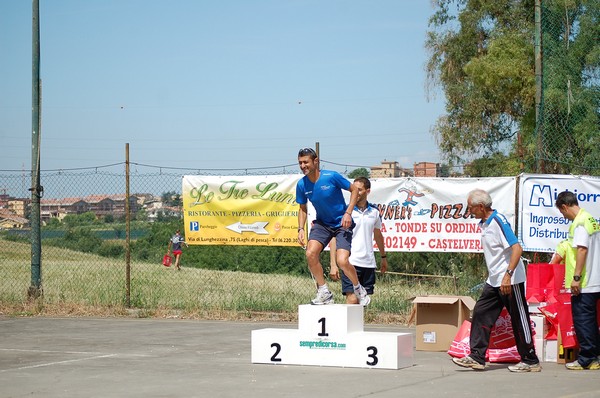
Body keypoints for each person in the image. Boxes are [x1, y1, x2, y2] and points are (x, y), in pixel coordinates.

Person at [452, 189, 541, 372]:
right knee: (480, 313)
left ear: (481, 206)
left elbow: (517, 248)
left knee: (519, 319)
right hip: (494, 280)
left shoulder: (499, 221)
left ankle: (530, 360)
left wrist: (508, 275)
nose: (469, 212)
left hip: (511, 279)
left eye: (471, 208)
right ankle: (477, 356)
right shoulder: (484, 224)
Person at [296, 147, 370, 305]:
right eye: (300, 163)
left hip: (341, 223)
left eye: (306, 162)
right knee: (310, 253)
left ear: (316, 161)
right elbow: (302, 208)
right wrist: (301, 228)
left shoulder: (331, 176)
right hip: (322, 224)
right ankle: (324, 292)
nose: (303, 166)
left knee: (342, 261)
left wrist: (348, 212)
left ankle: (358, 289)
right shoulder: (302, 185)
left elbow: (354, 190)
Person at [555, 190, 600, 370]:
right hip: (595, 277)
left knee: (584, 320)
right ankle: (595, 357)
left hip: (585, 281)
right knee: (592, 320)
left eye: (562, 212)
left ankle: (587, 358)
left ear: (565, 207)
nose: (563, 216)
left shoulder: (580, 223)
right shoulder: (590, 219)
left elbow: (581, 250)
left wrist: (576, 278)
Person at [329, 177, 388, 304]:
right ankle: (347, 324)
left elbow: (378, 235)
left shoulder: (375, 212)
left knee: (362, 302)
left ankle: (357, 324)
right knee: (352, 298)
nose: (355, 192)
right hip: (350, 262)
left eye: (359, 190)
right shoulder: (344, 212)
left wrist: (383, 257)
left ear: (368, 191)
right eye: (353, 189)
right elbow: (334, 238)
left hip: (368, 262)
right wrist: (334, 264)